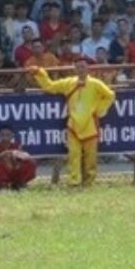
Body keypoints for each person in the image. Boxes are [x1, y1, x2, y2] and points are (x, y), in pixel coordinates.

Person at [30, 60, 116, 188]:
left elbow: (110, 95)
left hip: (90, 124)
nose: (81, 69)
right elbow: (50, 86)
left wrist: (98, 109)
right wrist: (39, 73)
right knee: (73, 155)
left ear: (88, 69)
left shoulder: (95, 83)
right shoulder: (68, 83)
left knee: (90, 157)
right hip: (73, 124)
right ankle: (74, 182)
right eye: (78, 67)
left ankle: (89, 183)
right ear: (74, 69)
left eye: (83, 67)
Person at [0, 126, 37, 191]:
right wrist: (5, 154)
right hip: (4, 169)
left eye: (7, 135)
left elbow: (23, 156)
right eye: (2, 135)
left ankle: (20, 183)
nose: (5, 137)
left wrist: (16, 155)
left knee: (31, 162)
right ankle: (3, 186)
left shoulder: (17, 146)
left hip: (15, 167)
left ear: (12, 136)